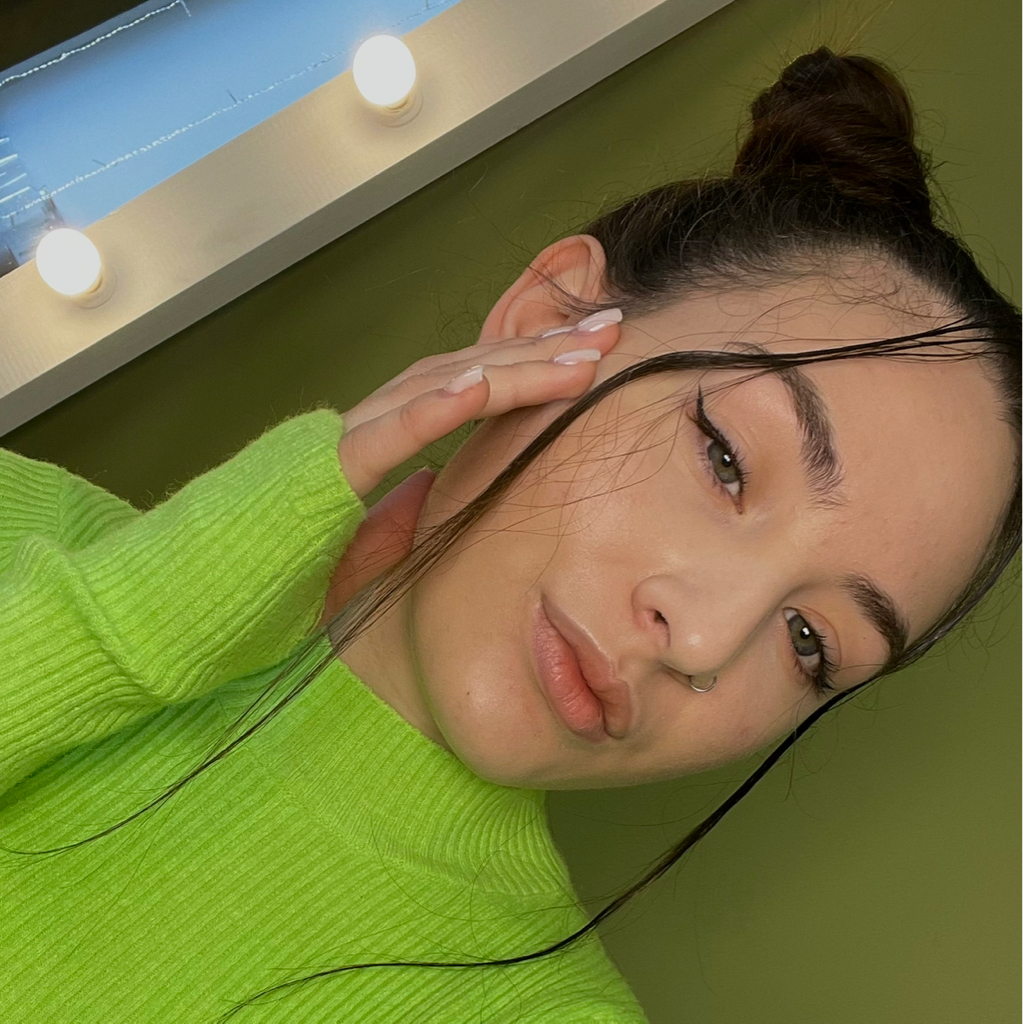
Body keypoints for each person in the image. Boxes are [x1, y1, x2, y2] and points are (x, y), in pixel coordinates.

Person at [0, 46, 1018, 1024]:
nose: (704, 641)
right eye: (725, 458)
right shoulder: (27, 524)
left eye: (810, 642)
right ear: (548, 323)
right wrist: (139, 612)